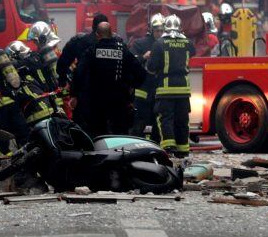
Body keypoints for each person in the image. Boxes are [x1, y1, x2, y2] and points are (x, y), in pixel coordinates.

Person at [72, 22, 145, 137]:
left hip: (96, 101)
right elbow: (140, 72)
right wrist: (131, 86)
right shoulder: (123, 51)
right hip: (119, 100)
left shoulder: (92, 51)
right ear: (111, 33)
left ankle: (101, 154)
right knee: (120, 134)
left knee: (98, 134)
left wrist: (75, 94)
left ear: (97, 34)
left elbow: (79, 73)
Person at [147, 15, 196, 157]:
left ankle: (168, 147)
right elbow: (193, 52)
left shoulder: (159, 43)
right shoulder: (187, 42)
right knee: (182, 119)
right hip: (184, 89)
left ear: (165, 27)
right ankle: (183, 149)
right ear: (180, 28)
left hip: (165, 89)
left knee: (165, 118)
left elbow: (151, 67)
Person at [129, 13, 165, 141]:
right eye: (157, 30)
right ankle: (137, 141)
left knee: (158, 118)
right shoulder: (141, 43)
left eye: (162, 30)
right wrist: (143, 57)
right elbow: (130, 60)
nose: (159, 33)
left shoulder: (167, 44)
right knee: (141, 118)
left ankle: (157, 141)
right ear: (151, 29)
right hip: (143, 90)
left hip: (160, 89)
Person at [6, 40, 55, 125]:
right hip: (51, 93)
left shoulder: (25, 62)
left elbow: (15, 66)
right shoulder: (37, 56)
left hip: (42, 97)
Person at [56, 13, 109, 88]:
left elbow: (62, 64)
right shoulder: (118, 44)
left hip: (84, 90)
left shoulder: (78, 41)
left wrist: (63, 81)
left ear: (93, 26)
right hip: (111, 91)